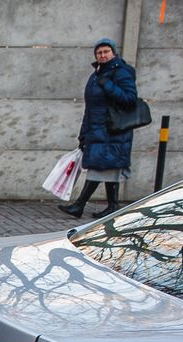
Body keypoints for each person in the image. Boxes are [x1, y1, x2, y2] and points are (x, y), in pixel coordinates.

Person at [58, 37, 137, 218]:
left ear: (113, 53)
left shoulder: (121, 72)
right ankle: (112, 206)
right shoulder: (96, 75)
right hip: (97, 129)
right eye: (99, 52)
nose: (102, 55)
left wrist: (107, 84)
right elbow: (91, 107)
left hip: (113, 129)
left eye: (106, 51)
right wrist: (83, 133)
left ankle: (80, 205)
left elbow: (129, 98)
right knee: (106, 167)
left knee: (99, 167)